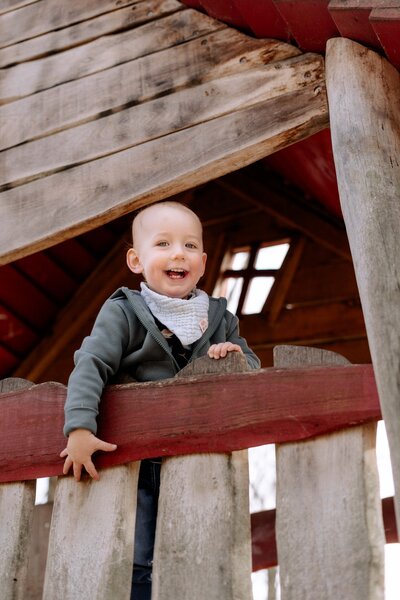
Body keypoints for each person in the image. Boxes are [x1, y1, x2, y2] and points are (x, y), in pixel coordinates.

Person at [60, 200, 260, 599]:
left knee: (198, 546)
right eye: (163, 244)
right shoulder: (125, 312)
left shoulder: (220, 319)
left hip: (198, 456)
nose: (178, 254)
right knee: (138, 551)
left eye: (189, 246)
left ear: (202, 264)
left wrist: (236, 358)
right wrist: (79, 428)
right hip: (136, 457)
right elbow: (92, 363)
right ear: (136, 260)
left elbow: (253, 368)